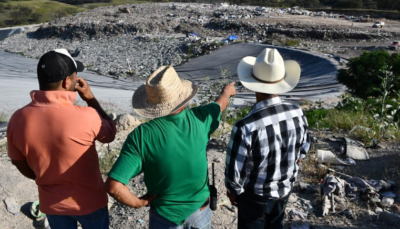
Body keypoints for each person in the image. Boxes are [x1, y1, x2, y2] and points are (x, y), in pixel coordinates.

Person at [105, 65, 236, 229]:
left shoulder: (142, 136)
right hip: (200, 211)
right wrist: (227, 92)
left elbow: (114, 186)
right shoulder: (201, 118)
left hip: (165, 217)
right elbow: (219, 105)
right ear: (182, 95)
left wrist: (138, 202)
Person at [7, 49, 116, 229]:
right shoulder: (87, 116)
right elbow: (109, 134)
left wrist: (43, 177)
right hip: (90, 203)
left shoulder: (18, 118)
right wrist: (90, 99)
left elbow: (19, 162)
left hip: (52, 204)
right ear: (67, 81)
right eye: (75, 76)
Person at [225, 48, 311, 229]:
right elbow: (305, 144)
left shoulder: (246, 126)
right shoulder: (296, 111)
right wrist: (297, 160)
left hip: (255, 197)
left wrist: (234, 193)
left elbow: (235, 172)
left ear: (253, 83)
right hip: (284, 191)